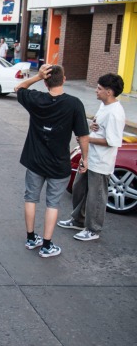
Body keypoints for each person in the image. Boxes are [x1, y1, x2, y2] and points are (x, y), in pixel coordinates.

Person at [14, 64, 90, 258]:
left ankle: (31, 238)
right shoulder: (74, 104)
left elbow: (19, 88)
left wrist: (37, 77)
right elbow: (83, 136)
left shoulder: (36, 99)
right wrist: (85, 159)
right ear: (64, 80)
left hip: (35, 160)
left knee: (30, 198)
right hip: (59, 163)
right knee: (52, 204)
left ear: (46, 82)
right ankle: (47, 245)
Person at [58, 73, 126, 241]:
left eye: (99, 89)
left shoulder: (115, 113)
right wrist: (93, 125)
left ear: (109, 92)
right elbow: (100, 125)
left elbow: (113, 141)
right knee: (78, 190)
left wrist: (88, 138)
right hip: (89, 157)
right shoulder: (105, 105)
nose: (96, 91)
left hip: (101, 162)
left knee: (96, 197)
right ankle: (78, 220)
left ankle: (93, 229)